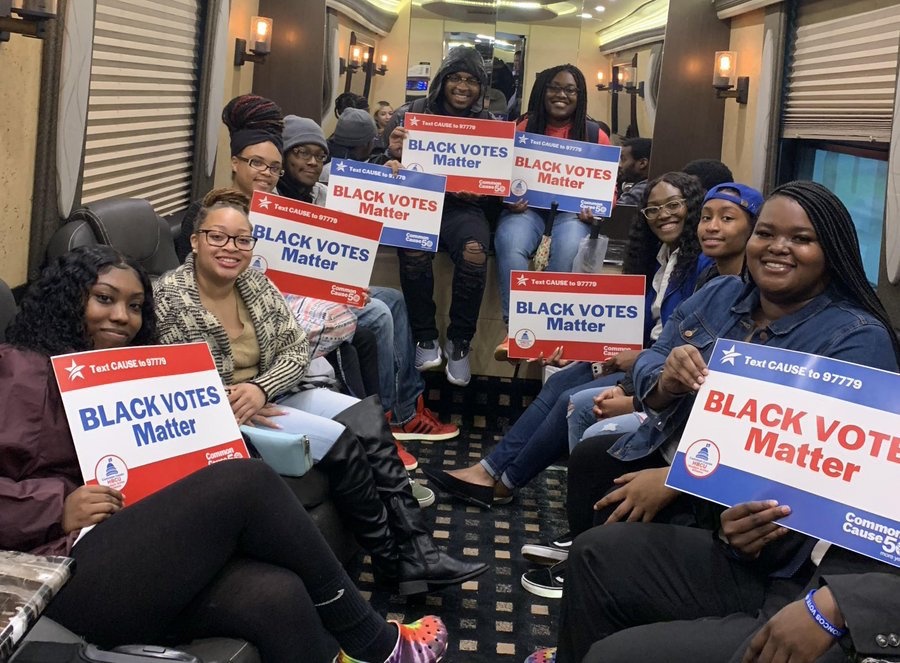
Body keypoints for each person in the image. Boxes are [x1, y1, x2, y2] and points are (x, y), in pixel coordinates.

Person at [0, 245, 448, 663]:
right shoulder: (16, 370)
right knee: (245, 481)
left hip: (124, 544)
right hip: (44, 571)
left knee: (278, 594)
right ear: (65, 300)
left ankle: (356, 650)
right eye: (104, 298)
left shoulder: (133, 373)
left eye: (135, 306)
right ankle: (374, 641)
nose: (122, 317)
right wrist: (55, 507)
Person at [529, 181, 900, 663]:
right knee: (595, 544)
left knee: (615, 648)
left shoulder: (856, 341)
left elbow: (830, 478)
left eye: (802, 239)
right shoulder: (724, 292)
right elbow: (650, 358)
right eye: (766, 233)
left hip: (787, 554)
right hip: (724, 516)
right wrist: (666, 378)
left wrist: (681, 479)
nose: (778, 248)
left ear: (831, 252)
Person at [154, 189, 486, 595]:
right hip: (228, 414)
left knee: (365, 415)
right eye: (218, 237)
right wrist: (244, 397)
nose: (231, 249)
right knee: (345, 439)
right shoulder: (170, 296)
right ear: (195, 240)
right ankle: (390, 560)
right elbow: (177, 378)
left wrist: (261, 386)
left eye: (243, 240)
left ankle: (419, 550)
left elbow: (296, 349)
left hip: (269, 393)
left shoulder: (255, 284)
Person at [423, 172, 712, 508]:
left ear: (692, 207)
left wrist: (636, 358)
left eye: (673, 205)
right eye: (653, 209)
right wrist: (585, 350)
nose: (663, 214)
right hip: (643, 361)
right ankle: (490, 473)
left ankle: (503, 481)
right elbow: (637, 330)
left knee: (570, 398)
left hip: (658, 373)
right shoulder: (663, 259)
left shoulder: (702, 265)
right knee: (559, 381)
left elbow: (675, 341)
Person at [277, 116, 459, 447]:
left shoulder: (323, 189)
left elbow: (359, 173)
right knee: (377, 312)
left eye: (319, 155)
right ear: (285, 155)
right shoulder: (268, 198)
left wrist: (384, 163)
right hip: (292, 300)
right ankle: (383, 423)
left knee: (394, 299)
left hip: (324, 289)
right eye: (302, 153)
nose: (313, 162)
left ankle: (406, 410)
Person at [382, 46, 501, 387]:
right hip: (418, 201)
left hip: (464, 208)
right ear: (442, 80)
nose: (463, 86)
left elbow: (500, 188)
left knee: (475, 252)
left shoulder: (490, 126)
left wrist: (485, 191)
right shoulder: (409, 114)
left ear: (481, 87)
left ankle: (460, 342)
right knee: (414, 249)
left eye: (471, 80)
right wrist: (389, 156)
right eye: (455, 78)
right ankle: (425, 337)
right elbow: (374, 161)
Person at [493, 64, 611, 361]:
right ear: (543, 91)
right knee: (509, 240)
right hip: (528, 209)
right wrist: (508, 198)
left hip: (572, 214)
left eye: (570, 89)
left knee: (570, 247)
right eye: (554, 87)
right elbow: (501, 172)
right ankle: (516, 329)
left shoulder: (596, 134)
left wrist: (595, 211)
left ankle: (549, 330)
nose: (561, 94)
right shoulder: (523, 126)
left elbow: (610, 190)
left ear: (580, 95)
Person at [617, 137, 652, 206]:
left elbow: (618, 211)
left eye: (623, 159)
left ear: (642, 163)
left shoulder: (642, 189)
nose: (619, 165)